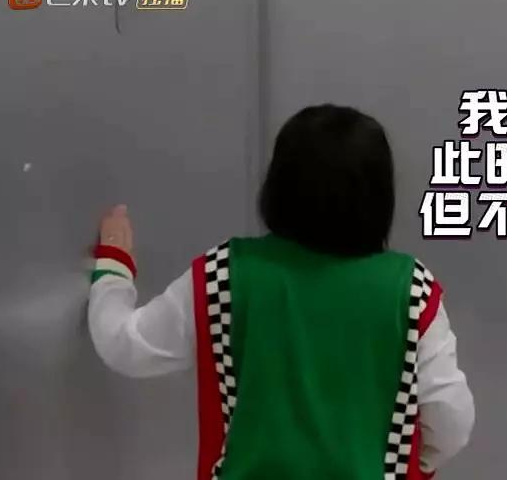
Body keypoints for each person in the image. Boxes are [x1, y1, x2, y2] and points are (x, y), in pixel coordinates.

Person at [88, 105, 475, 480]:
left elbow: (125, 345)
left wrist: (114, 264)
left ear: (279, 187)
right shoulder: (412, 292)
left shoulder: (222, 275)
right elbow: (451, 420)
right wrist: (413, 465)